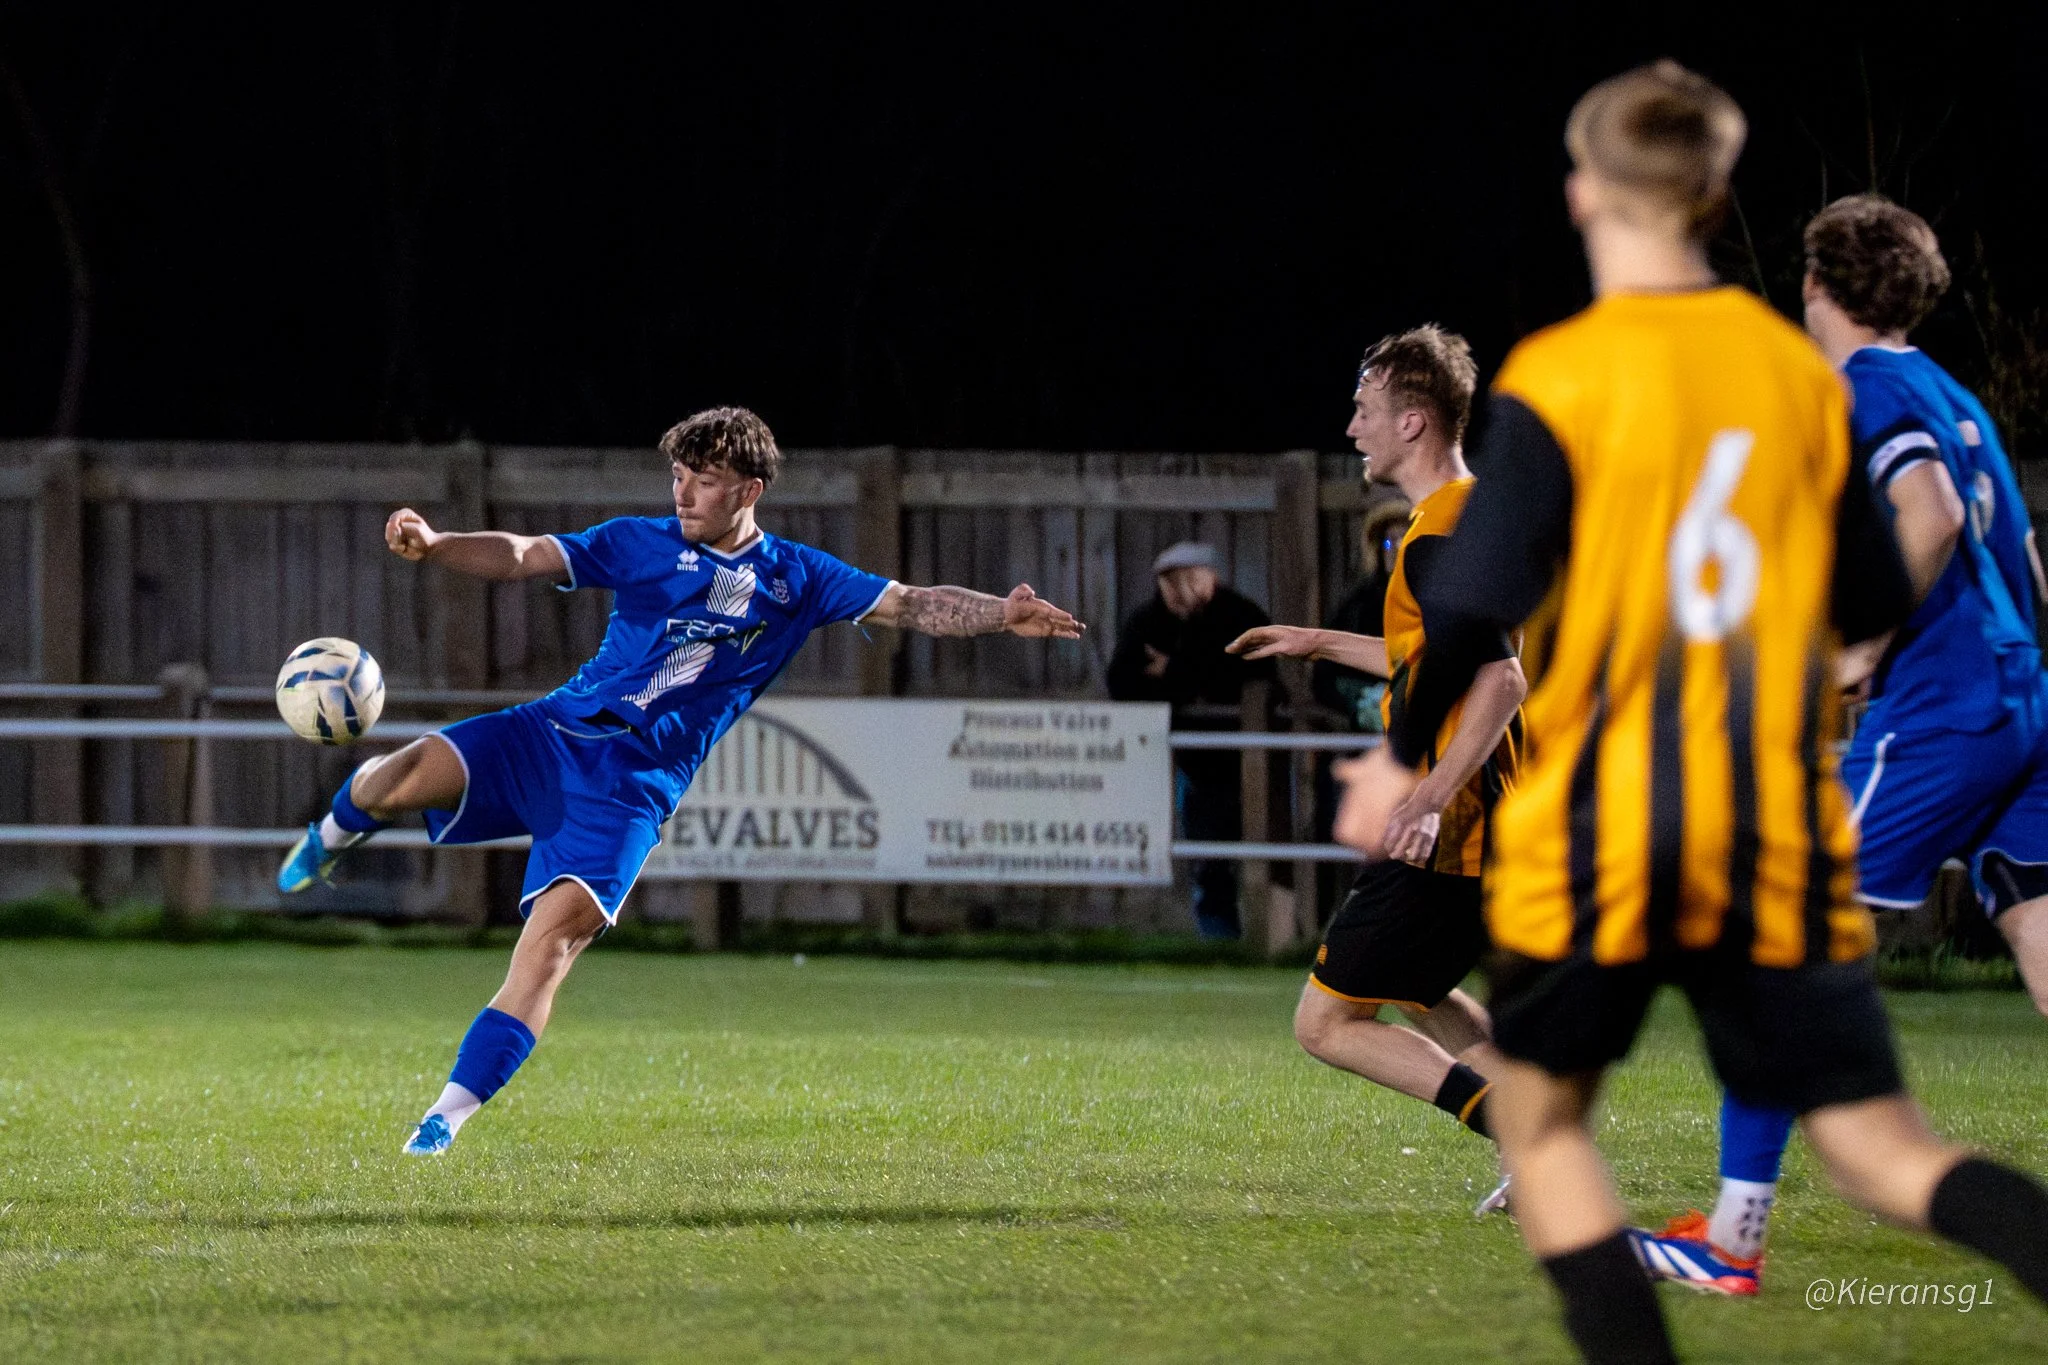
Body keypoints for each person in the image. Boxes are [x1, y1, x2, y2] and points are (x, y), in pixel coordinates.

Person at [1333, 62, 2048, 1364]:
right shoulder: (1790, 375)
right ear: (1718, 199)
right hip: (1764, 813)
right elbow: (1875, 590)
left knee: (1545, 1137)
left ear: (1588, 191)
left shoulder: (1564, 374)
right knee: (1887, 1154)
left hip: (1607, 825)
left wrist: (1399, 770)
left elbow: (1473, 610)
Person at [276, 406, 1083, 1155]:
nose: (684, 492)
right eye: (678, 476)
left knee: (550, 948)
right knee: (402, 772)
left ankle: (441, 1118)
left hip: (631, 785)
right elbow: (526, 554)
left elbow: (910, 604)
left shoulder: (799, 578)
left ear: (750, 489)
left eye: (703, 479)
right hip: (551, 733)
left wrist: (996, 612)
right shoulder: (640, 541)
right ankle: (334, 833)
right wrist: (438, 542)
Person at [1635, 196, 2048, 1293]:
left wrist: (1855, 647)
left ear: (1814, 287)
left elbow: (1929, 515)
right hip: (2020, 702)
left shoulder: (1863, 390)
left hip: (1944, 711)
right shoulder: (1956, 394)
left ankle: (1728, 1240)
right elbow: (2022, 555)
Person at [1227, 326, 1524, 1198]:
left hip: (1456, 820)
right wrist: (1316, 639)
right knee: (1421, 988)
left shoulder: (1438, 537)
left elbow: (1501, 680)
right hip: (1489, 809)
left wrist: (1429, 796)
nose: (1352, 426)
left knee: (1324, 1022)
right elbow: (1438, 657)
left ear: (1414, 422)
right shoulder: (1474, 517)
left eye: (1365, 410)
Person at [1106, 541, 1274, 938]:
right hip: (1190, 761)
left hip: (1250, 758)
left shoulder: (1240, 617)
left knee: (1267, 853)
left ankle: (1274, 936)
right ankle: (1218, 938)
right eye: (1170, 582)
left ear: (1211, 577)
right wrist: (1188, 679)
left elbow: (1253, 680)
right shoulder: (1147, 622)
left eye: (1190, 578)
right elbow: (1122, 681)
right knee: (1207, 856)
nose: (1180, 591)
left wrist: (1174, 671)